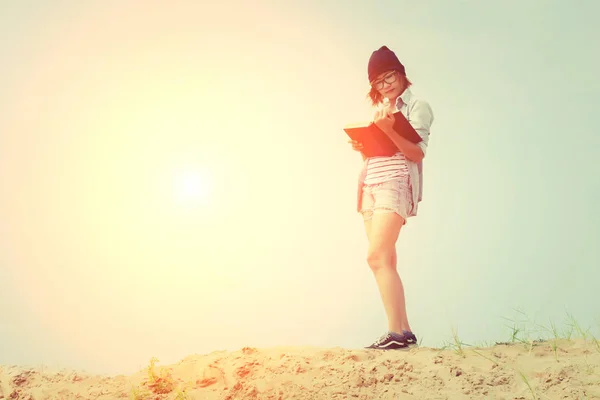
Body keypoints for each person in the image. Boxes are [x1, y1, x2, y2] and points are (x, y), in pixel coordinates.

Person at [349, 45, 434, 350]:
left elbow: (416, 152)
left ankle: (394, 334)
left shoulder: (417, 106)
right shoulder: (378, 110)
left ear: (401, 74)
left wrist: (390, 129)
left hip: (395, 184)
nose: (385, 86)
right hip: (370, 184)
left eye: (389, 78)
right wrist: (364, 147)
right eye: (378, 82)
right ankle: (405, 331)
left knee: (375, 256)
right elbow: (380, 152)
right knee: (385, 259)